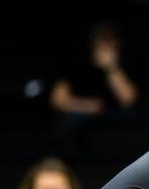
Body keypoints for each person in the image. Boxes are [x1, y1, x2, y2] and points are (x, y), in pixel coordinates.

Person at [49, 21, 138, 157]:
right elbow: (58, 100)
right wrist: (88, 107)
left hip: (113, 116)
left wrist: (111, 68)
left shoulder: (126, 64)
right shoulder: (76, 64)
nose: (106, 46)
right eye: (102, 40)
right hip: (82, 113)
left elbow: (128, 99)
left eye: (111, 40)